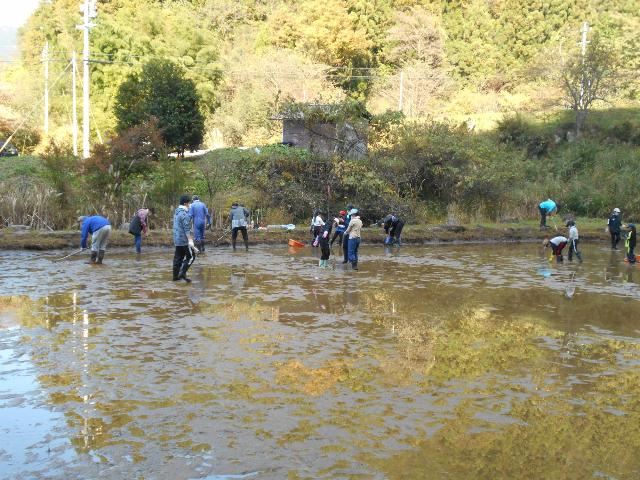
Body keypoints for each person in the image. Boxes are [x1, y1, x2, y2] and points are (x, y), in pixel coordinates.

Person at [173, 195, 197, 282]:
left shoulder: (176, 212)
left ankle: (175, 277)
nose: (190, 205)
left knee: (178, 258)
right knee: (191, 257)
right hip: (184, 240)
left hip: (177, 239)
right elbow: (187, 229)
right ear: (185, 203)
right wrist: (190, 241)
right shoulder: (184, 214)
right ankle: (182, 273)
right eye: (189, 203)